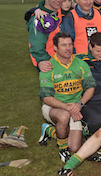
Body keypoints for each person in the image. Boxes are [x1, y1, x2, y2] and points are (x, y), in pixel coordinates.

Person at [37, 32, 96, 162]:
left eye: (70, 44)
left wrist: (79, 104)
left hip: (75, 107)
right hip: (53, 107)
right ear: (55, 48)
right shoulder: (48, 67)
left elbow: (90, 88)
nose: (68, 48)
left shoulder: (81, 64)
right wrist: (68, 108)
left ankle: (49, 131)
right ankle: (62, 150)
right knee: (64, 117)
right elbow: (46, 98)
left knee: (75, 147)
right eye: (63, 45)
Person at [27, 0, 64, 70]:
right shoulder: (39, 18)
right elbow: (37, 46)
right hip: (48, 63)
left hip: (60, 60)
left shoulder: (57, 11)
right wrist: (43, 61)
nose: (58, 0)